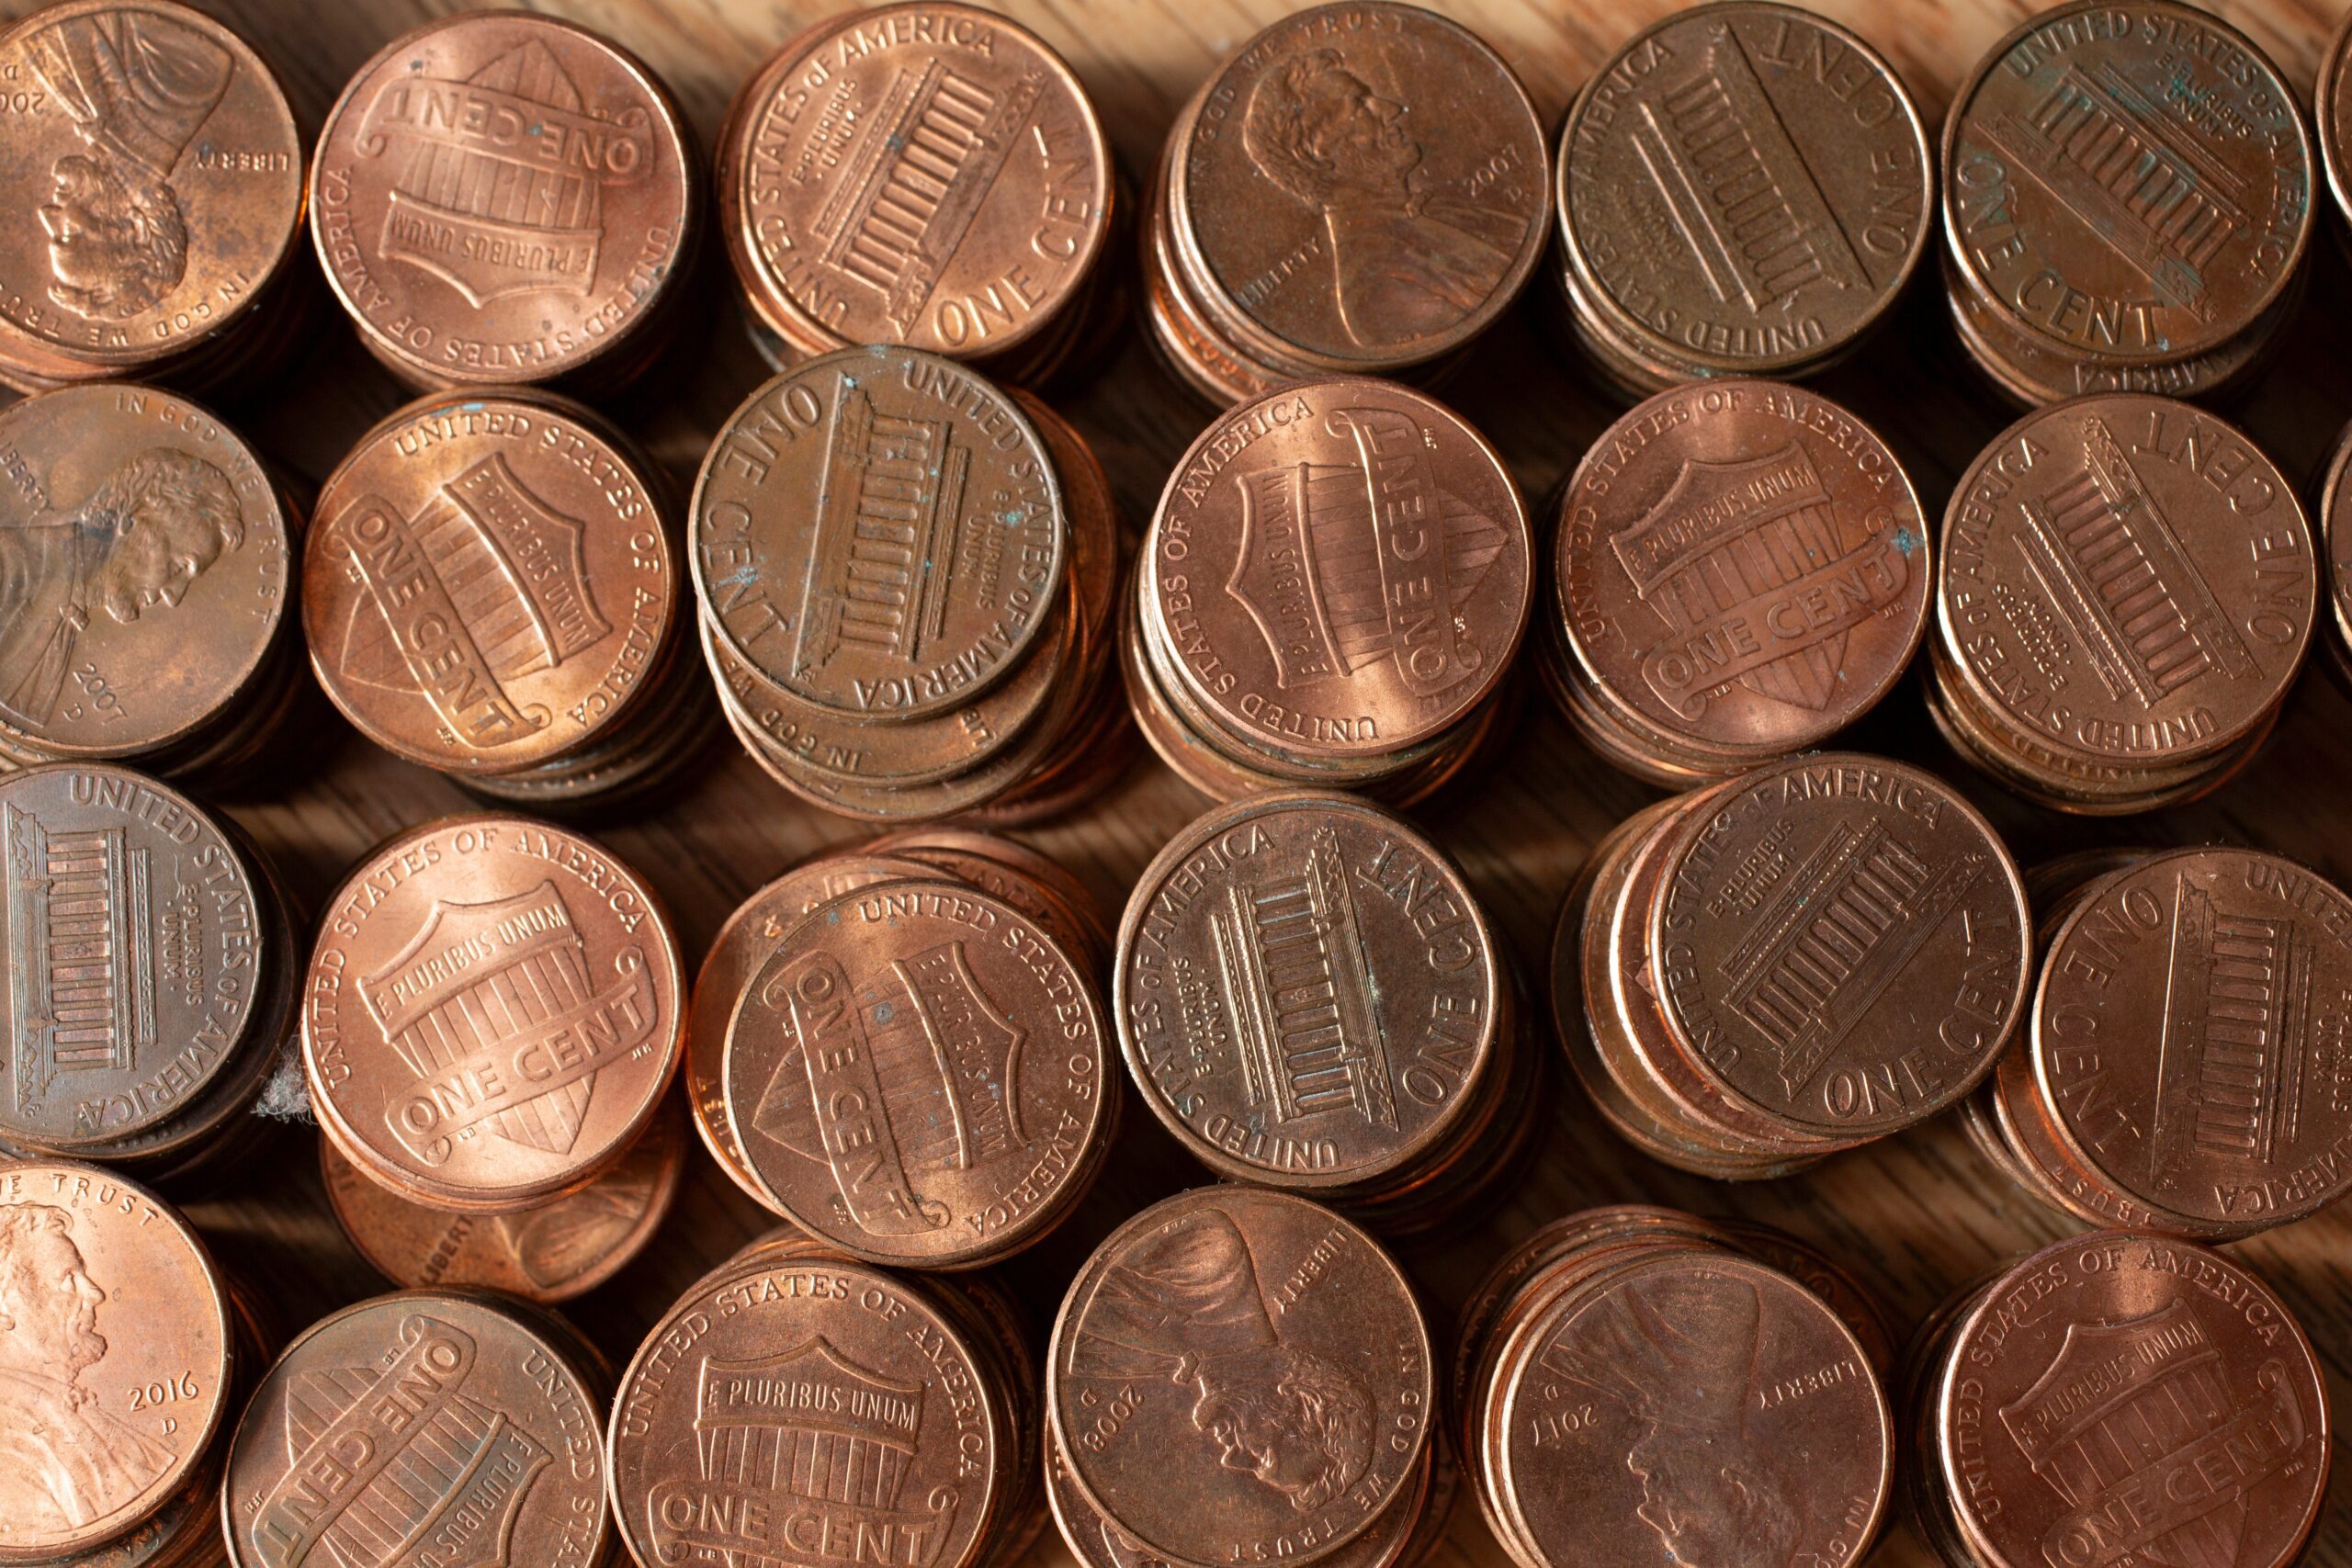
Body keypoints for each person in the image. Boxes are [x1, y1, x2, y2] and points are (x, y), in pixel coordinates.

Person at [1068, 1206, 1374, 1513]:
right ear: (1292, 1404)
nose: (1231, 1459)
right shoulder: (1216, 1259)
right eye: (1263, 1455)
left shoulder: (1167, 1367)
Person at [1240, 50, 1522, 348]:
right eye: (1360, 104)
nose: (1392, 109)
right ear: (1316, 151)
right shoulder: (1375, 295)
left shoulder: (1441, 211)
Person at [1544, 1272, 1804, 1565]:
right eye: (1677, 1524)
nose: (1646, 1513)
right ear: (1734, 1492)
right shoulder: (1719, 1318)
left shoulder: (1648, 1398)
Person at [0, 447, 243, 730]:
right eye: (178, 567)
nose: (174, 595)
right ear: (130, 520)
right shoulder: (8, 567)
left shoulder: (70, 611)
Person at [25, 10, 232, 320]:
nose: (47, 213)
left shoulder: (92, 116)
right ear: (133, 228)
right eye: (70, 234)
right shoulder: (189, 85)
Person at [0, 1203, 175, 1533]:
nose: (95, 1293)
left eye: (82, 1273)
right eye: (68, 1278)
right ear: (4, 1308)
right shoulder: (9, 1450)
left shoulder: (67, 1408)